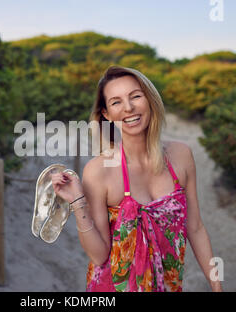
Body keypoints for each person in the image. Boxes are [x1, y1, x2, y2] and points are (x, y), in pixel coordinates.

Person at [51, 66, 223, 292]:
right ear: (106, 114)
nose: (129, 107)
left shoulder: (181, 155)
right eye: (116, 102)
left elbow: (196, 228)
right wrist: (77, 202)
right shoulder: (99, 170)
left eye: (135, 96)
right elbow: (98, 255)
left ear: (149, 99)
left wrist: (216, 285)